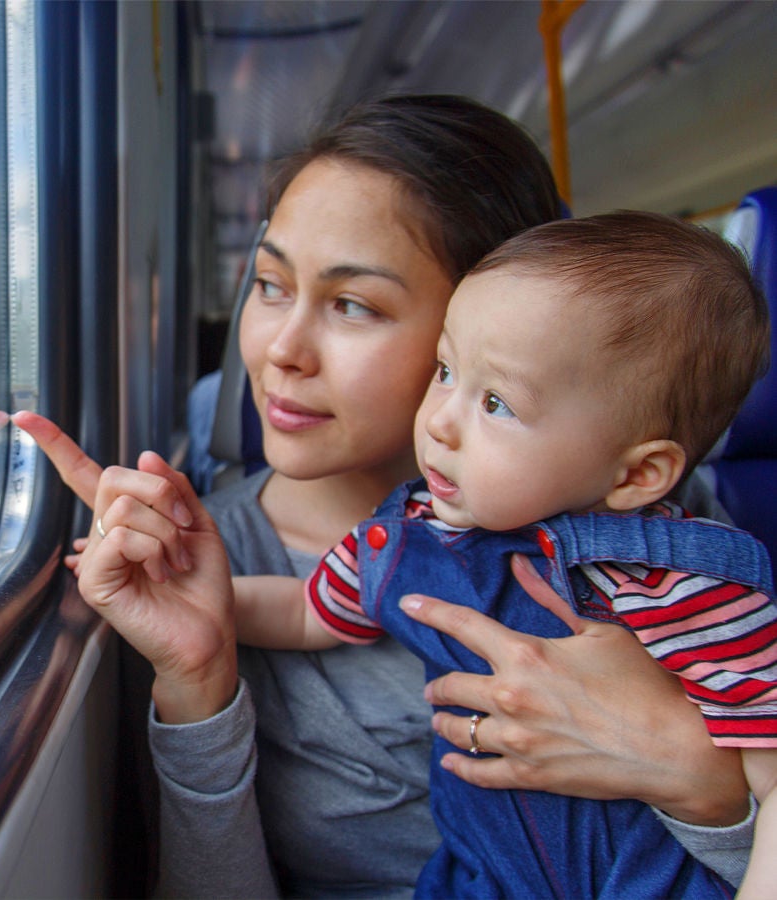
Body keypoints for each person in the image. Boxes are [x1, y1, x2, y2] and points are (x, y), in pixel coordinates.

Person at [14, 95, 755, 897]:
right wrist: (199, 677)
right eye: (268, 285)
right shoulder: (200, 563)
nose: (281, 351)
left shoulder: (649, 533)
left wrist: (697, 778)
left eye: (353, 305)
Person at [229, 211, 776, 897]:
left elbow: (769, 777)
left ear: (637, 475)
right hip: (478, 877)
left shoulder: (684, 586)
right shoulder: (411, 538)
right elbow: (308, 613)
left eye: (496, 403)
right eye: (445, 370)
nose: (439, 422)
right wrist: (209, 601)